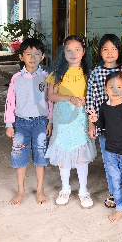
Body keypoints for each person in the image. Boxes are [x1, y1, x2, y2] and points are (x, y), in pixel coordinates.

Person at [45, 35, 96, 208]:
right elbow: (51, 96)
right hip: (63, 116)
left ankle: (83, 191)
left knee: (81, 153)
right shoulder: (57, 73)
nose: (73, 54)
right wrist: (70, 98)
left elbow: (92, 96)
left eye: (77, 50)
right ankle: (65, 188)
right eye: (69, 50)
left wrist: (90, 114)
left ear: (84, 52)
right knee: (63, 151)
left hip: (81, 117)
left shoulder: (88, 73)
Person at [4, 38, 53, 206]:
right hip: (20, 123)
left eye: (37, 54)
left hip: (41, 122)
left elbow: (50, 102)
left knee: (40, 155)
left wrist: (50, 121)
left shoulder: (46, 78)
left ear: (43, 56)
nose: (32, 58)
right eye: (28, 54)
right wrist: (9, 124)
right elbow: (10, 102)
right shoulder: (16, 78)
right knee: (19, 155)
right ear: (21, 57)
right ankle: (20, 190)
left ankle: (40, 189)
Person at [89, 71, 122, 229]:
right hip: (111, 152)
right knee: (115, 182)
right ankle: (119, 208)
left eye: (119, 87)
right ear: (105, 89)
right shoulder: (104, 107)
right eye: (111, 87)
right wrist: (95, 121)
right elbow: (103, 126)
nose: (115, 90)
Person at [86, 33, 122, 208]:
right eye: (105, 49)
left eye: (114, 49)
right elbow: (90, 99)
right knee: (110, 161)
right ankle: (114, 192)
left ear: (119, 51)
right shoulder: (96, 73)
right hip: (104, 125)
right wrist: (91, 124)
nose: (110, 52)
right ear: (100, 52)